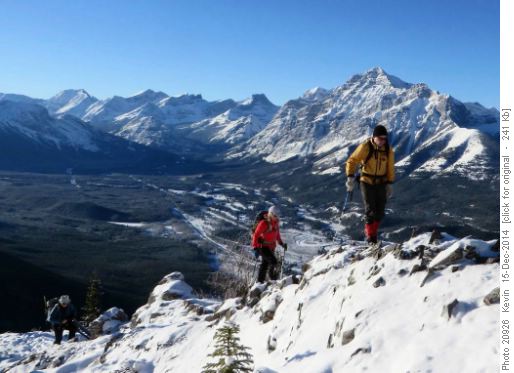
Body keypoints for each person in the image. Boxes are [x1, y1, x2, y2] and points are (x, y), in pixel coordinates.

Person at [345, 125, 395, 244]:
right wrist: (350, 177)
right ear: (374, 137)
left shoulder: (388, 150)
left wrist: (389, 183)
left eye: (385, 138)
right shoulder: (365, 147)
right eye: (381, 138)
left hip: (381, 182)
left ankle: (373, 233)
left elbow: (390, 167)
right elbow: (352, 160)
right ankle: (371, 237)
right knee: (370, 209)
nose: (383, 141)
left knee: (380, 211)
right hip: (366, 181)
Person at [252, 206, 288, 283]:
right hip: (262, 246)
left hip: (271, 246)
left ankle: (260, 281)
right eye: (275, 216)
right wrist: (255, 247)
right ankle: (273, 279)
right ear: (270, 214)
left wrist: (281, 243)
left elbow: (277, 234)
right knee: (273, 261)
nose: (277, 217)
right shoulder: (264, 223)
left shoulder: (276, 223)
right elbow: (256, 234)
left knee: (265, 264)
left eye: (278, 216)